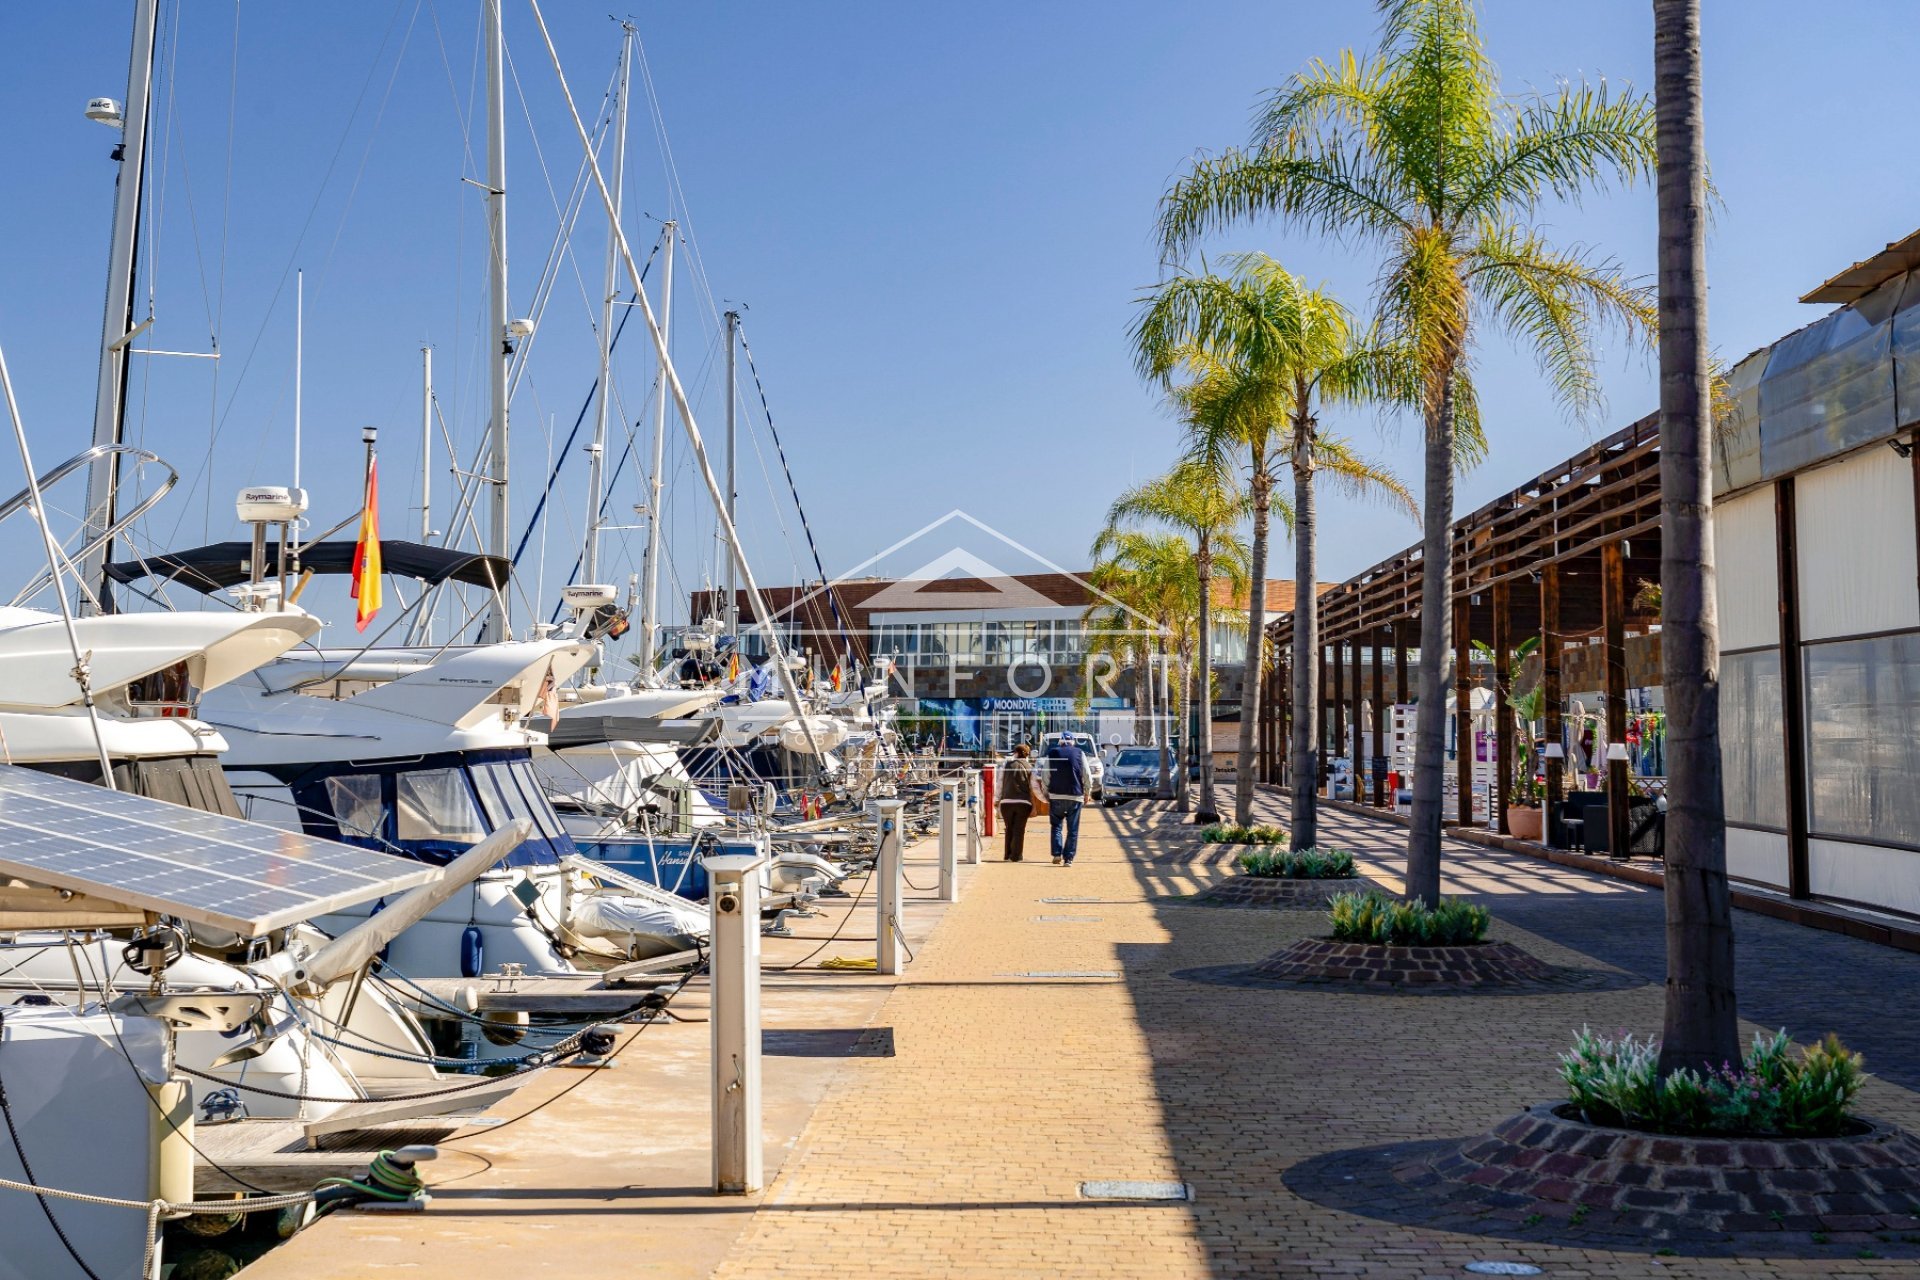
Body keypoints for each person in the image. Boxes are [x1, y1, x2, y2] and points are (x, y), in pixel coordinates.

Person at [1043, 733, 1088, 866]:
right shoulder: (1080, 753)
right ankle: (1068, 858)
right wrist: (1087, 792)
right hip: (1075, 796)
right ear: (1073, 742)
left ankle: (1057, 854)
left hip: (1056, 795)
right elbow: (1086, 774)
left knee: (1056, 826)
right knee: (1072, 829)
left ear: (1060, 742)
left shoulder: (1052, 753)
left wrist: (1046, 792)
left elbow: (1045, 774)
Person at [997, 744, 1038, 862]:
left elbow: (1000, 783)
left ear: (1015, 753)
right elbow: (1034, 787)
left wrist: (996, 799)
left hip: (1006, 802)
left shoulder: (1006, 765)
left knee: (1009, 828)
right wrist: (1044, 799)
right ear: (1027, 754)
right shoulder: (1030, 767)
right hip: (1023, 803)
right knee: (1019, 830)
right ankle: (1016, 856)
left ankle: (1007, 855)